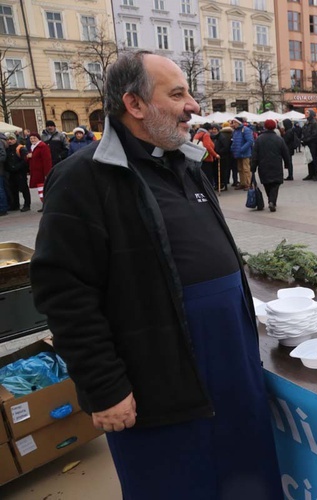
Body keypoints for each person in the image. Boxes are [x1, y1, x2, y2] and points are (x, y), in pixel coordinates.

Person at [29, 51, 282, 499]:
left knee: (250, 483)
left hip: (232, 372)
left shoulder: (185, 163)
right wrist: (103, 387)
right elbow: (64, 294)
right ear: (135, 104)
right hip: (159, 391)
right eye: (178, 93)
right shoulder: (82, 179)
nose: (194, 106)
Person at [252, 119, 291, 212]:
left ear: (265, 127)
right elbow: (285, 153)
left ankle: (270, 199)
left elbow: (255, 154)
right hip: (276, 165)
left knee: (267, 183)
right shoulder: (279, 139)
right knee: (275, 184)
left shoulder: (259, 139)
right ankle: (272, 201)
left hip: (263, 165)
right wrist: (287, 164)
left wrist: (253, 166)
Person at [26, 132, 53, 212]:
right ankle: (45, 205)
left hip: (41, 172)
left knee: (43, 189)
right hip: (36, 172)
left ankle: (47, 205)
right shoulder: (33, 147)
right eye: (31, 139)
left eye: (34, 138)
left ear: (38, 138)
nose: (32, 140)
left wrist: (47, 173)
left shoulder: (42, 147)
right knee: (40, 190)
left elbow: (47, 160)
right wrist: (28, 157)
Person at [5, 133, 31, 212]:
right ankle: (15, 205)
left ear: (15, 139)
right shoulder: (7, 149)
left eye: (11, 139)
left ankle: (27, 205)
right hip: (11, 172)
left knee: (24, 188)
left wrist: (17, 167)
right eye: (8, 139)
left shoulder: (20, 148)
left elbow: (25, 160)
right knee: (13, 189)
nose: (10, 141)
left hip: (20, 172)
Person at [192, 123, 220, 190]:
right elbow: (207, 146)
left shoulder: (198, 133)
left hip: (198, 157)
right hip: (206, 157)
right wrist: (215, 154)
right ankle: (208, 189)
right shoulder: (206, 134)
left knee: (201, 174)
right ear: (209, 129)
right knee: (208, 175)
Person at [230, 117, 254, 190]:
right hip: (238, 153)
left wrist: (242, 149)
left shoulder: (245, 130)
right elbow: (234, 141)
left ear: (238, 123)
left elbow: (250, 141)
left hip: (244, 152)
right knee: (240, 169)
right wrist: (232, 148)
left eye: (234, 122)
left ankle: (249, 184)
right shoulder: (235, 131)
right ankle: (243, 183)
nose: (233, 124)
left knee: (246, 169)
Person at [301, 110, 317, 181]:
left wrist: (306, 140)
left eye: (307, 113)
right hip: (308, 143)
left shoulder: (314, 123)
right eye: (306, 113)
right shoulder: (307, 123)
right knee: (309, 158)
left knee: (314, 159)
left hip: (313, 144)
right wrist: (303, 139)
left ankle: (316, 174)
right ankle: (310, 174)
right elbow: (303, 132)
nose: (306, 114)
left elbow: (315, 135)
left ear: (311, 114)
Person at [209, 123, 231, 191]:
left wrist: (219, 152)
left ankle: (223, 185)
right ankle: (217, 184)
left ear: (218, 129)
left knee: (222, 172)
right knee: (215, 172)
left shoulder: (222, 137)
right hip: (215, 156)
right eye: (212, 129)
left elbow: (226, 147)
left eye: (215, 129)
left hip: (222, 157)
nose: (213, 130)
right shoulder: (212, 137)